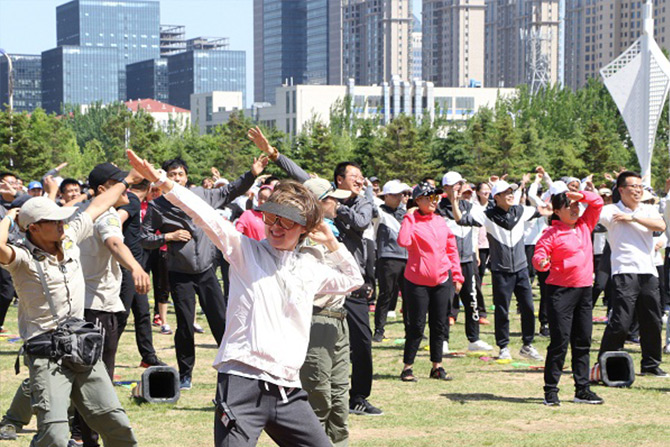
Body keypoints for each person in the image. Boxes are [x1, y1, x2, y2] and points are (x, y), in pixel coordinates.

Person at [127, 149, 364, 447]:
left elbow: (354, 280)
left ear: (305, 228)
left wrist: (332, 243)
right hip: (241, 382)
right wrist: (164, 182)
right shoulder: (244, 251)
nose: (275, 227)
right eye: (271, 218)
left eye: (287, 222)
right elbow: (206, 215)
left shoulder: (309, 267)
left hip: (288, 390)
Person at [0, 171, 141, 447]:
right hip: (46, 354)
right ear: (34, 228)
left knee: (117, 424)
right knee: (54, 435)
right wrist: (8, 217)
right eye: (53, 221)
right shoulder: (22, 259)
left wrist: (128, 180)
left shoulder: (70, 238)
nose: (61, 223)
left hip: (81, 346)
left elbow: (99, 204)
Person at [140, 156, 262, 389]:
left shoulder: (201, 196)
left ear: (187, 177)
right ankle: (185, 374)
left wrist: (252, 174)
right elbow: (144, 238)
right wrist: (168, 237)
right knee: (185, 325)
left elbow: (230, 191)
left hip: (206, 270)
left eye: (180, 174)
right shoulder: (158, 206)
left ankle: (232, 371)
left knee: (221, 321)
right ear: (163, 178)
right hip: (179, 272)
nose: (177, 178)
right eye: (172, 174)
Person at [453, 179, 550, 361]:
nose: (511, 195)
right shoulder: (487, 215)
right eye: (506, 193)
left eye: (512, 192)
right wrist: (453, 200)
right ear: (496, 197)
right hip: (501, 271)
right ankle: (503, 347)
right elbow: (461, 220)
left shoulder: (521, 211)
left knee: (528, 307)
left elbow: (545, 210)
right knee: (502, 310)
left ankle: (527, 345)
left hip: (521, 269)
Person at [533, 189, 604, 406]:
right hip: (560, 292)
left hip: (584, 291)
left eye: (576, 206)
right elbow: (539, 254)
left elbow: (597, 202)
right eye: (568, 206)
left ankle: (582, 389)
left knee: (583, 341)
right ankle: (550, 390)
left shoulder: (584, 225)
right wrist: (541, 263)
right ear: (556, 211)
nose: (574, 210)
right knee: (560, 343)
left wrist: (578, 195)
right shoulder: (551, 233)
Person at [300, 177, 354, 447]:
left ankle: (339, 442)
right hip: (316, 319)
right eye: (333, 199)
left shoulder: (332, 233)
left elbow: (354, 276)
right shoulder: (301, 241)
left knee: (340, 393)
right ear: (318, 203)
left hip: (338, 318)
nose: (338, 204)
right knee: (318, 393)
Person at [596, 171, 667, 376]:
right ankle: (606, 364)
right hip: (624, 270)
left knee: (652, 320)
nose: (637, 190)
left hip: (648, 271)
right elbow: (592, 217)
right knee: (621, 321)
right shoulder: (610, 210)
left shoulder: (648, 209)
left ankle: (650, 365)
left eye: (640, 186)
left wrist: (632, 218)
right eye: (633, 186)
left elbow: (661, 226)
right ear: (621, 189)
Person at [398, 182, 464, 382]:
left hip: (442, 278)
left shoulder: (440, 221)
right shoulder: (412, 221)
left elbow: (451, 249)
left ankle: (437, 366)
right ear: (418, 201)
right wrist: (409, 216)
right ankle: (407, 367)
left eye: (436, 198)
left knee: (440, 324)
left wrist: (457, 275)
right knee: (416, 325)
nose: (434, 201)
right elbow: (403, 241)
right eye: (429, 198)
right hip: (417, 280)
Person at [332, 161, 381, 416]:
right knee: (322, 341)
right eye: (354, 176)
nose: (360, 180)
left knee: (362, 341)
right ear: (339, 179)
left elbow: (361, 223)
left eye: (361, 176)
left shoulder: (363, 203)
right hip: (326, 284)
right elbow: (301, 175)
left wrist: (337, 208)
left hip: (354, 284)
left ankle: (359, 396)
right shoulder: (325, 198)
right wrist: (275, 157)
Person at [440, 172, 493, 352]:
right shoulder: (439, 208)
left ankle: (474, 339)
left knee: (472, 300)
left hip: (468, 259)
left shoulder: (470, 207)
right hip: (447, 262)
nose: (459, 188)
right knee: (445, 302)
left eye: (460, 184)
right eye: (455, 185)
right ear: (446, 188)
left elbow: (476, 227)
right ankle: (443, 340)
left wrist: (475, 252)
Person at [372, 180, 410, 342]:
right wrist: (368, 188)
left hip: (407, 258)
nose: (399, 198)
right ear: (386, 196)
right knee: (385, 294)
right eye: (395, 195)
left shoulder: (405, 213)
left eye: (401, 195)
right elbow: (370, 203)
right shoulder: (379, 212)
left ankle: (411, 330)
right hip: (387, 259)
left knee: (409, 296)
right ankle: (379, 330)